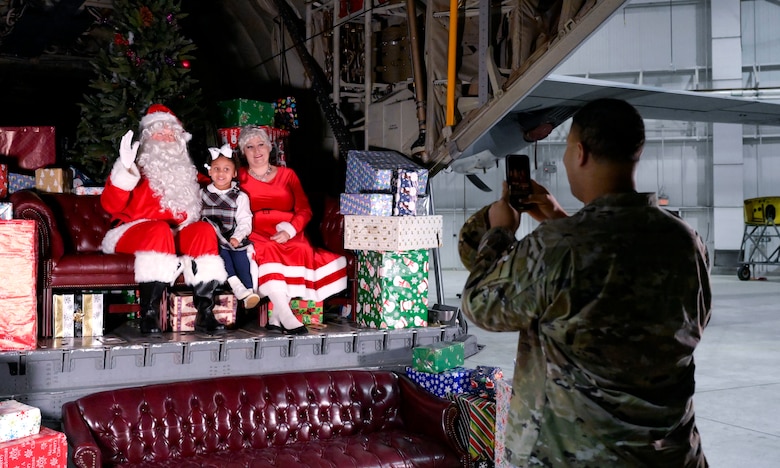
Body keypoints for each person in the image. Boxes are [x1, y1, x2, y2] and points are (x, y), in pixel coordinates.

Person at [458, 98, 711, 467]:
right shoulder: (685, 239)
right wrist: (559, 219)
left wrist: (499, 231)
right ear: (636, 151)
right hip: (671, 454)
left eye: (564, 149)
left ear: (579, 152)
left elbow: (480, 304)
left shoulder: (560, 247)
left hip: (577, 456)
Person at [100, 103, 228, 334]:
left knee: (203, 230)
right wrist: (124, 168)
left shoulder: (188, 172)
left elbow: (220, 183)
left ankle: (204, 311)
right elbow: (110, 205)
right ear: (149, 138)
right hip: (131, 232)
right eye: (161, 133)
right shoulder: (133, 169)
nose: (168, 138)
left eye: (172, 133)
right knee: (158, 230)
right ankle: (148, 314)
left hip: (174, 233)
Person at [237, 126, 347, 335]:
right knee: (268, 248)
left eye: (261, 144)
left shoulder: (288, 174)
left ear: (269, 148)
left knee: (300, 248)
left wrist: (290, 230)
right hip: (254, 227)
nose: (256, 150)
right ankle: (286, 316)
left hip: (287, 227)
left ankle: (276, 317)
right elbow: (215, 181)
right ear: (244, 152)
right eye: (250, 147)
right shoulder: (239, 175)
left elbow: (305, 209)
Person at [201, 143, 261, 310]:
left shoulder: (240, 196)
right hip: (210, 238)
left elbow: (245, 220)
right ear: (210, 171)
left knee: (241, 256)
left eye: (226, 169)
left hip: (230, 237)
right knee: (222, 252)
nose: (221, 173)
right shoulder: (202, 194)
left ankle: (249, 292)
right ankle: (236, 286)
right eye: (217, 169)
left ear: (234, 173)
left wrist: (237, 237)